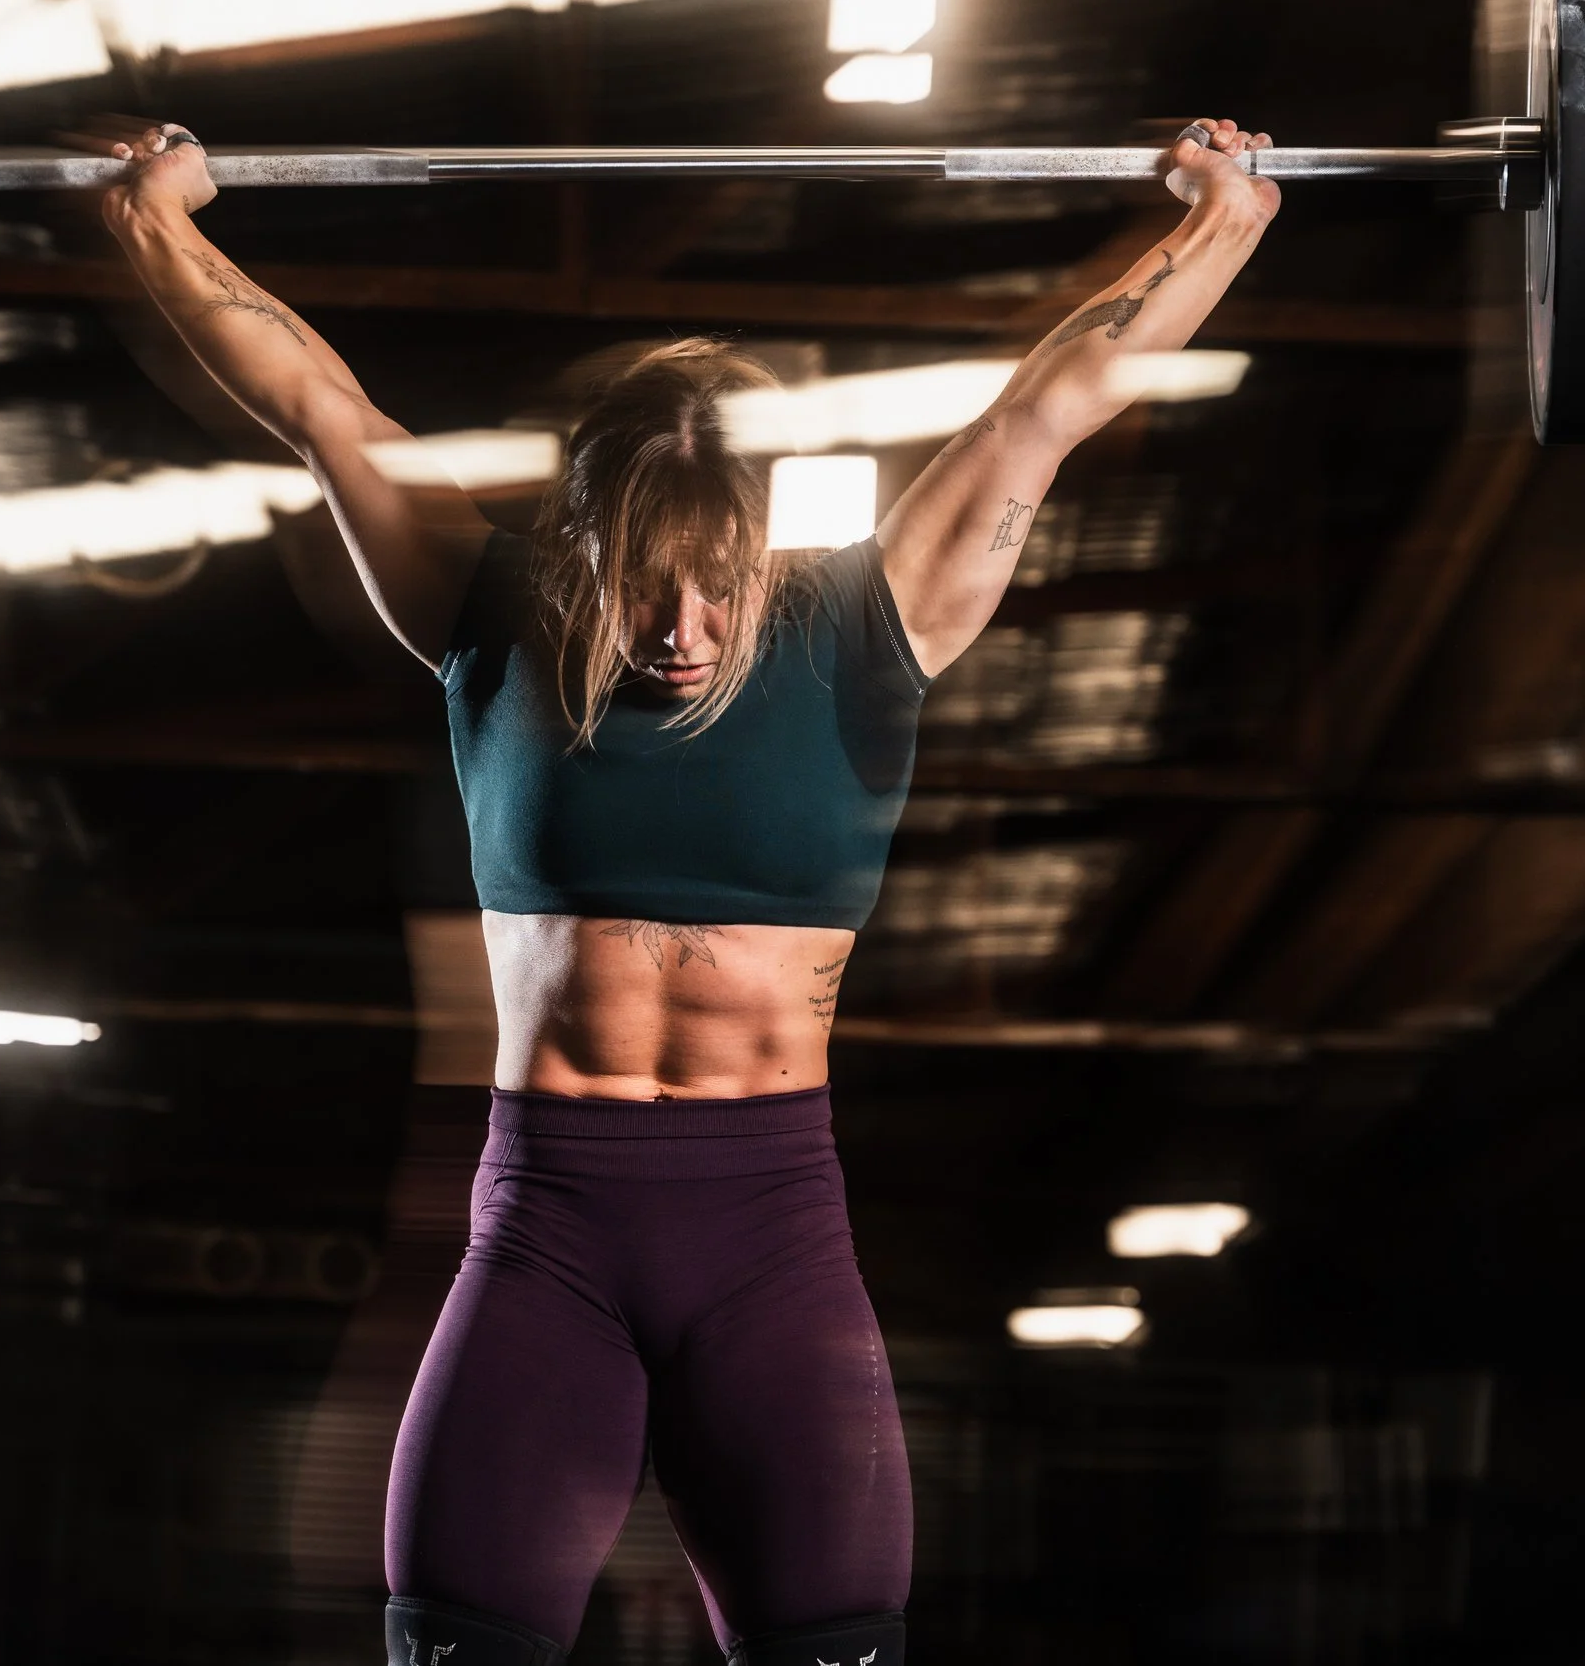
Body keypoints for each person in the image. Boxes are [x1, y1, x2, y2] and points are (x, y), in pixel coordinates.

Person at [102, 116, 1277, 1666]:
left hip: (771, 1236)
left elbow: (1043, 412)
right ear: (584, 548)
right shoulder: (491, 619)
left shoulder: (869, 628)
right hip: (545, 1232)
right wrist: (159, 218)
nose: (684, 625)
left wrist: (1227, 216)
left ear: (763, 550)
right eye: (646, 581)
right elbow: (323, 410)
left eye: (718, 580)